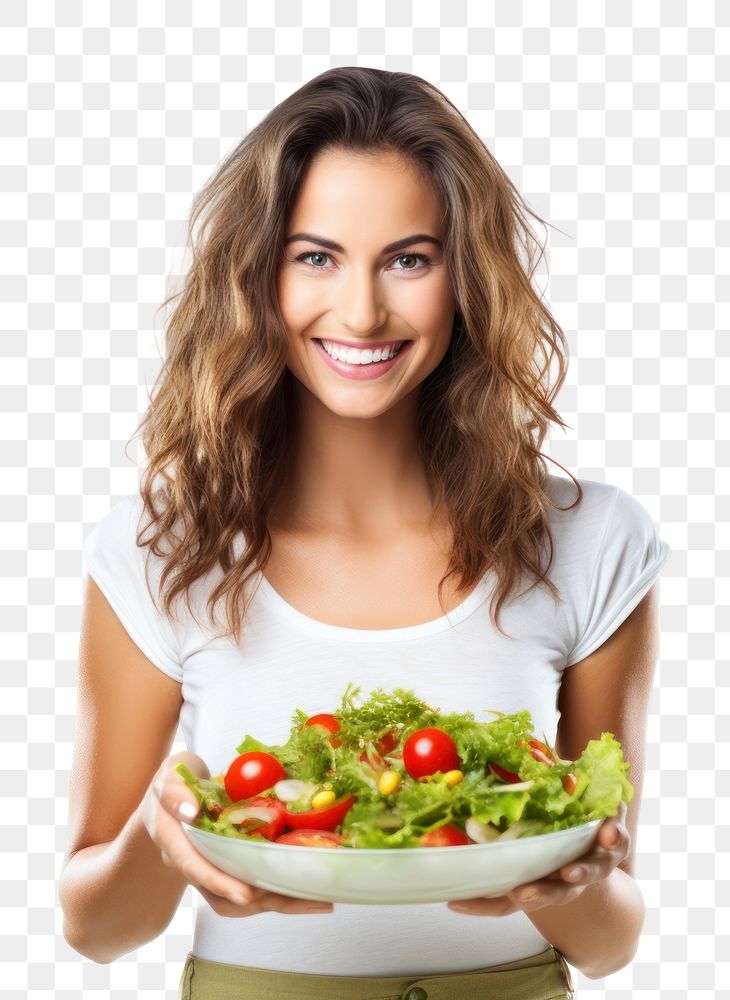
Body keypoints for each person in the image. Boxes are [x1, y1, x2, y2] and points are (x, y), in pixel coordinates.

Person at [59, 67, 671, 999]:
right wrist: (160, 832)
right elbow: (93, 929)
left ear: (466, 277)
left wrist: (563, 875)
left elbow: (611, 942)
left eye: (408, 259)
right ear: (256, 276)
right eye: (316, 257)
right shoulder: (160, 551)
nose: (360, 312)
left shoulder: (593, 541)